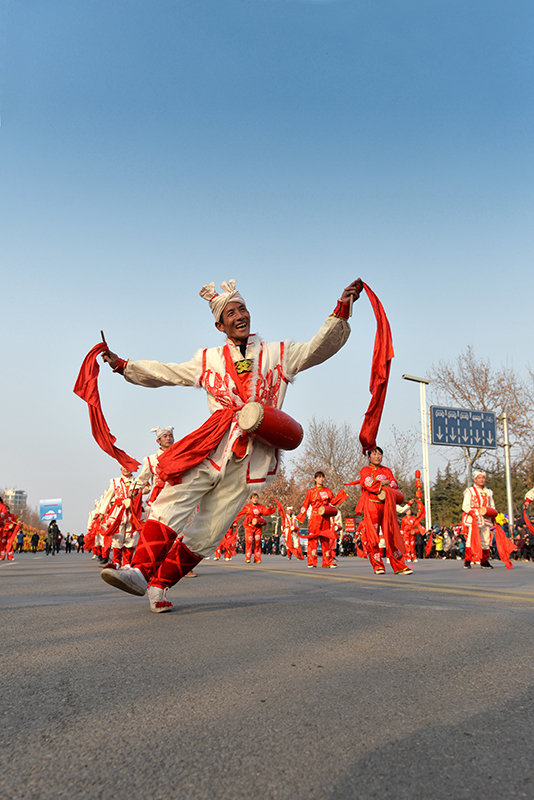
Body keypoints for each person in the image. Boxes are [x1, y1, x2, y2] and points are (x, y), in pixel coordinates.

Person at [100, 278, 362, 608]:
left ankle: (160, 585)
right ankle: (138, 571)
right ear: (219, 324)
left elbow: (316, 349)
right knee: (173, 500)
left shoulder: (276, 353)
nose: (240, 316)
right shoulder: (208, 358)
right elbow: (169, 373)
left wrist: (340, 312)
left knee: (210, 531)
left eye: (243, 309)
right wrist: (126, 366)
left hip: (251, 459)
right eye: (231, 312)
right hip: (210, 446)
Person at [354, 447, 412, 575]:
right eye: (374, 454)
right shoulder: (366, 470)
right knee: (373, 536)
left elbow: (394, 484)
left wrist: (383, 484)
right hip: (372, 505)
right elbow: (367, 483)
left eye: (379, 454)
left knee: (391, 534)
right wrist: (383, 483)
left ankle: (399, 565)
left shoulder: (386, 470)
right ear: (369, 457)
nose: (377, 456)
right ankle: (378, 565)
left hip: (387, 505)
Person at [297, 471, 343, 569]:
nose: (320, 479)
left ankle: (327, 562)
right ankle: (311, 562)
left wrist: (341, 496)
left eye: (322, 477)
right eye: (318, 477)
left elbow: (333, 501)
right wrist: (301, 516)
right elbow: (305, 504)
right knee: (313, 539)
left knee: (326, 539)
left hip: (325, 517)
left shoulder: (328, 491)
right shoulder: (311, 491)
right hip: (315, 517)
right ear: (315, 479)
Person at [462, 470, 497, 569]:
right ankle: (467, 560)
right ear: (475, 479)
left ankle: (484, 561)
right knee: (471, 539)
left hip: (486, 519)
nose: (482, 480)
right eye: (479, 478)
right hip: (474, 519)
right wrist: (473, 512)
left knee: (485, 540)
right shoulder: (470, 491)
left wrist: (494, 516)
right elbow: (465, 506)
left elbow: (492, 506)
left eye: (483, 478)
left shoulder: (489, 492)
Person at [239, 493, 275, 564]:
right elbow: (240, 514)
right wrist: (233, 520)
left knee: (258, 542)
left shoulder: (260, 507)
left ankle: (257, 558)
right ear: (251, 499)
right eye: (253, 498)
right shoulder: (247, 507)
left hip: (258, 527)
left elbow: (267, 511)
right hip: (249, 527)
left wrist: (272, 508)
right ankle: (248, 557)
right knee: (249, 542)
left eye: (256, 498)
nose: (255, 499)